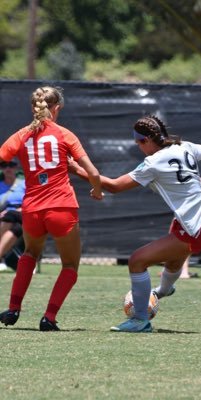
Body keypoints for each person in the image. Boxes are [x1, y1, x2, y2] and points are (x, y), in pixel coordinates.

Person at [69, 114, 201, 333]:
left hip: (194, 227)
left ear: (146, 140)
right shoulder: (185, 147)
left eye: (139, 142)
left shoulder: (153, 162)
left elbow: (115, 186)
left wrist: (75, 168)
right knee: (174, 263)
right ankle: (162, 291)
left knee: (137, 261)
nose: (139, 147)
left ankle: (140, 320)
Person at [0, 86, 103, 331]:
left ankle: (13, 309)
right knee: (69, 265)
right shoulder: (65, 135)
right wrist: (97, 190)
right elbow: (93, 173)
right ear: (56, 108)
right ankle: (49, 317)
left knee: (29, 254)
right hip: (61, 206)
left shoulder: (22, 135)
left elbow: (3, 155)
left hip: (32, 208)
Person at [0, 159, 26, 271]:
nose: (8, 169)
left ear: (16, 168)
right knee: (14, 228)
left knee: (10, 215)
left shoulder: (25, 184)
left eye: (11, 165)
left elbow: (33, 201)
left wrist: (20, 209)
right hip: (5, 219)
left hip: (22, 214)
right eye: (4, 166)